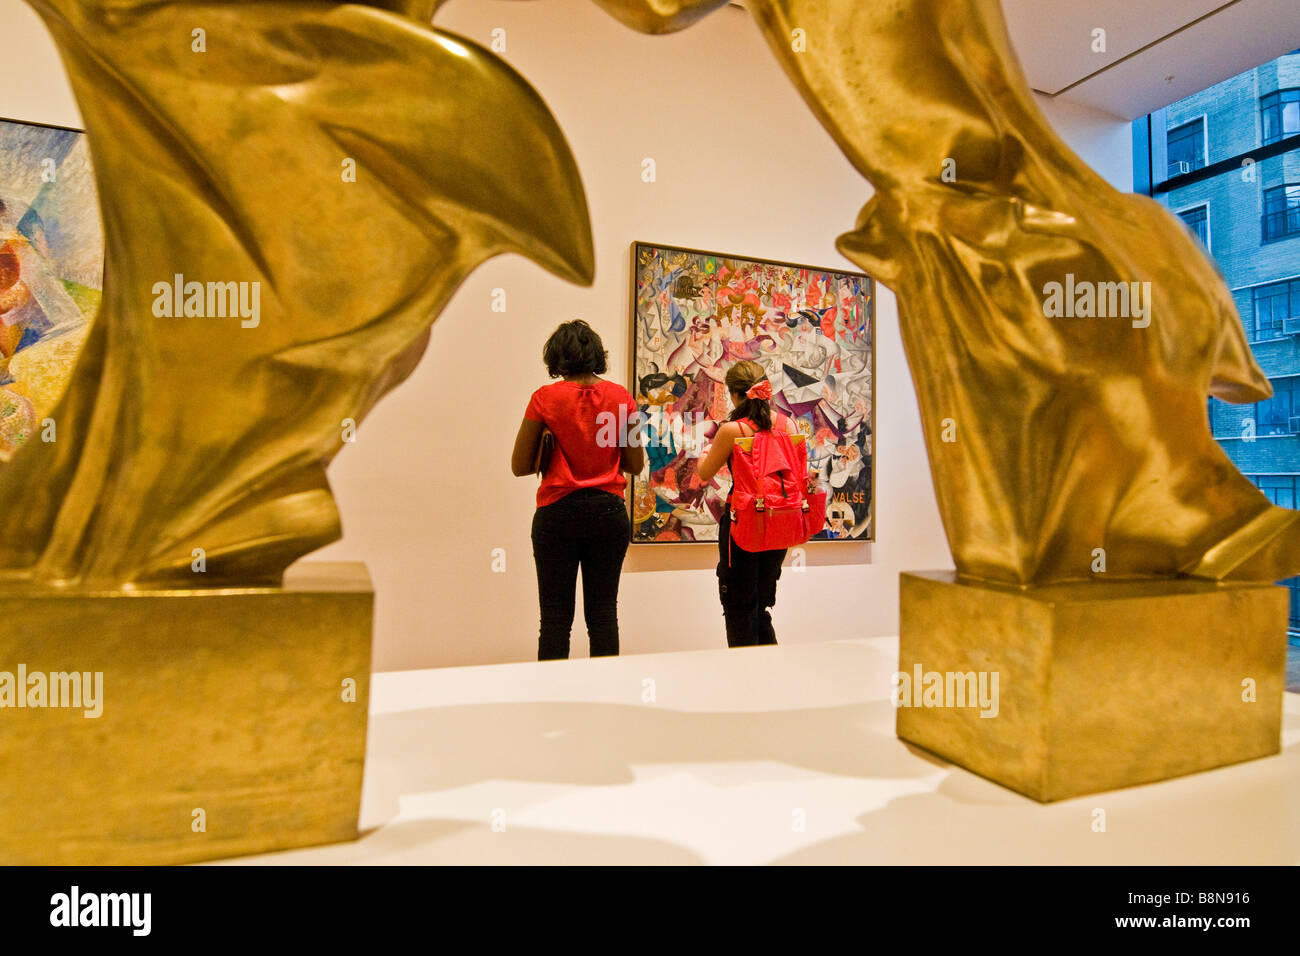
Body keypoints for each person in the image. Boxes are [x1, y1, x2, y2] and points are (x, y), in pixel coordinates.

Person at [511, 319, 644, 660]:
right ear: (597, 354)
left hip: (557, 513)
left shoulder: (544, 399)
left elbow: (520, 466)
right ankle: (607, 700)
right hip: (608, 513)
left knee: (555, 618)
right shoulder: (620, 398)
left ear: (557, 357)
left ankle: (553, 702)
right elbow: (634, 465)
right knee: (603, 615)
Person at [695, 359, 797, 648]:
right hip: (778, 524)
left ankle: (744, 682)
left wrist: (704, 452)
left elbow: (705, 473)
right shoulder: (787, 424)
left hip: (743, 524)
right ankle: (769, 681)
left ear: (734, 394)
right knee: (761, 607)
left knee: (738, 607)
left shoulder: (732, 430)